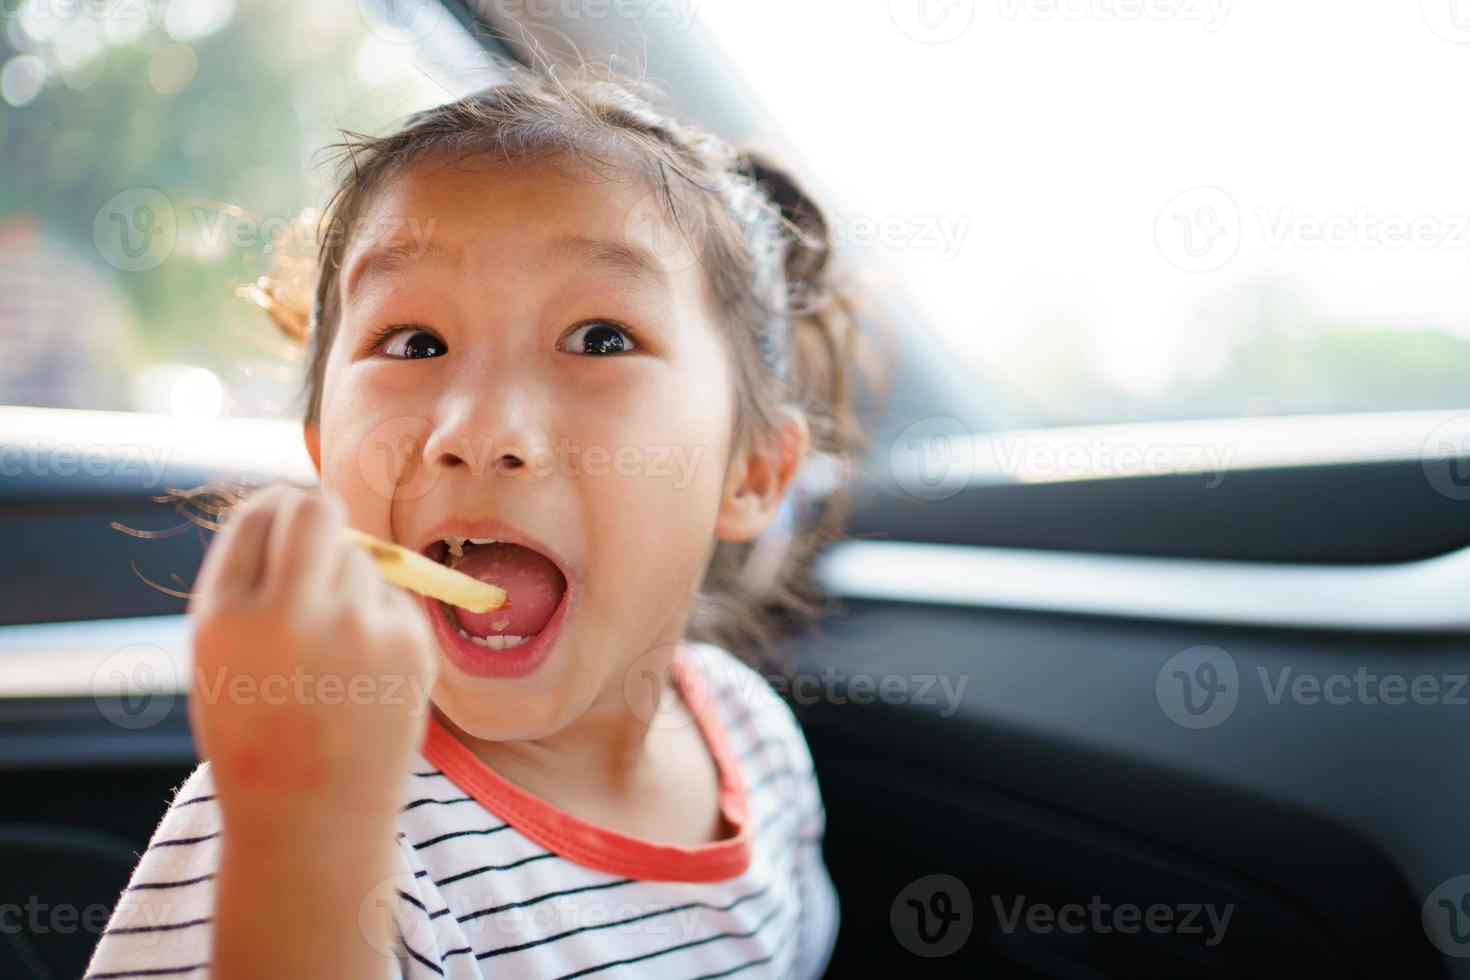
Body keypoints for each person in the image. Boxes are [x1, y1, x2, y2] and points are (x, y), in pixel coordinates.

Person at [85, 60, 885, 979]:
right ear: (321, 451)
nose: (481, 432)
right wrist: (304, 847)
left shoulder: (755, 740)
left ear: (750, 472)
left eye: (600, 340)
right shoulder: (277, 818)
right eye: (414, 342)